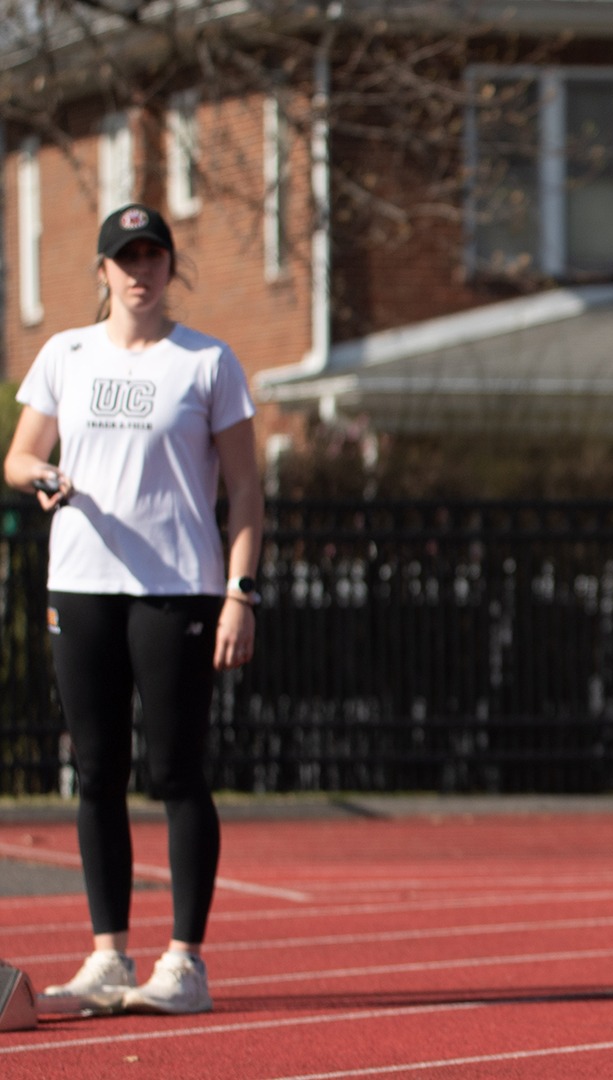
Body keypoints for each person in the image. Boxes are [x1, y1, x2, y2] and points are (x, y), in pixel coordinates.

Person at [4, 203, 263, 1017]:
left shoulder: (206, 363)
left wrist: (240, 593)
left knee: (177, 772)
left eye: (153, 256)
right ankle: (108, 954)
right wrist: (40, 477)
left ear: (169, 267)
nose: (140, 271)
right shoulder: (65, 354)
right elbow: (18, 456)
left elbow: (248, 491)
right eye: (126, 258)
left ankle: (185, 962)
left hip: (177, 588)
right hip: (81, 584)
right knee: (96, 773)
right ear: (103, 271)